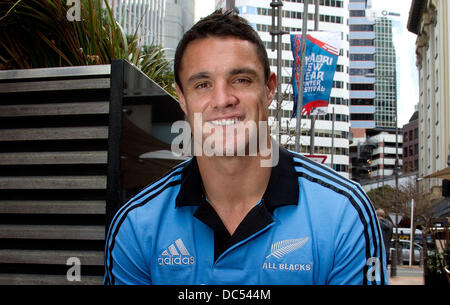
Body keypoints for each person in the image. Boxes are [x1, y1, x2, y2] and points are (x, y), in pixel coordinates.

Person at [104, 10, 388, 285]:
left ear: (269, 88)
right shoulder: (137, 223)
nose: (223, 99)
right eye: (202, 84)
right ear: (182, 98)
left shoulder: (344, 213)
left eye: (241, 80)